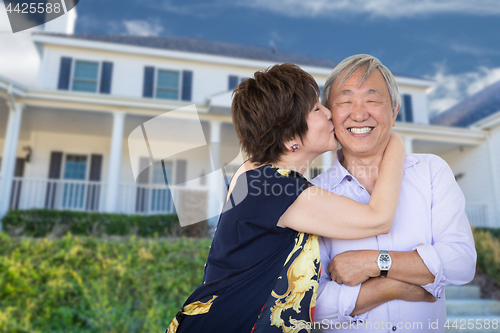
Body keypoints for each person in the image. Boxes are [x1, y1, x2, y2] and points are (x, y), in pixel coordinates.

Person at [165, 63, 406, 333]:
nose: (329, 113)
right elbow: (379, 218)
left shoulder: (253, 174)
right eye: (316, 109)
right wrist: (393, 140)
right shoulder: (275, 188)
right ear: (291, 135)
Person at [312, 54, 476, 333]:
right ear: (329, 115)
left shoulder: (431, 171)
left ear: (395, 111)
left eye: (372, 100)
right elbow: (314, 305)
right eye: (345, 101)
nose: (359, 113)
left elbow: (461, 263)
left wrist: (375, 262)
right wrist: (391, 287)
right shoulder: (314, 195)